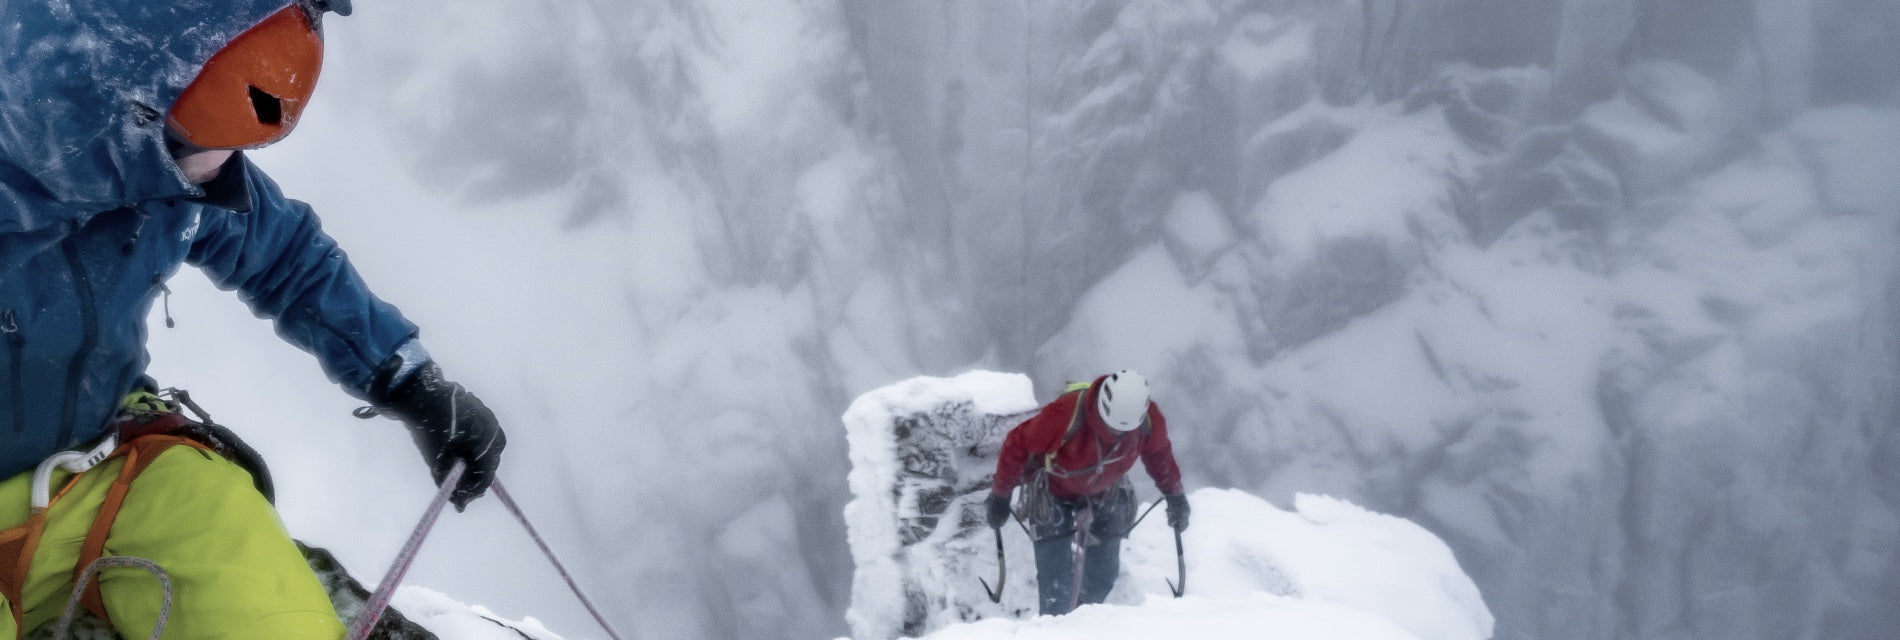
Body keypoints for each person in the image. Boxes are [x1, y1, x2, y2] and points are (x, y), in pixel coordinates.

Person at [0, 1, 506, 637]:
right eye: (210, 139)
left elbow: (284, 254)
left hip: (107, 471)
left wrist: (407, 380)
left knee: (265, 605)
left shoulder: (162, 176)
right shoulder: (156, 162)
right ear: (115, 104)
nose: (224, 171)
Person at [985, 370, 1189, 616]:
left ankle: (1085, 620)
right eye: (1111, 428)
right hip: (1052, 489)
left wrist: (1175, 496)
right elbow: (1018, 443)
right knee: (1056, 583)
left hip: (1106, 487)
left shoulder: (1148, 421)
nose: (1116, 435)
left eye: (1123, 432)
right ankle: (1055, 628)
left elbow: (1159, 456)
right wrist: (1001, 495)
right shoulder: (1065, 414)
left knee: (1103, 572)